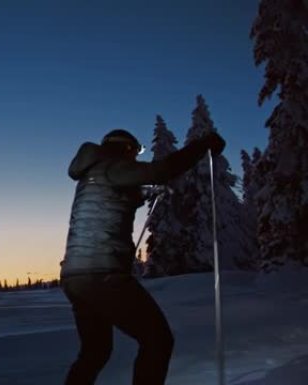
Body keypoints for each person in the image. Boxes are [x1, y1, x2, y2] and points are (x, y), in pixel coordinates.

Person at [60, 128, 225, 385]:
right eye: (136, 153)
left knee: (96, 351)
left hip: (76, 278)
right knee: (157, 340)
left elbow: (117, 196)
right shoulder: (112, 166)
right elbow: (162, 170)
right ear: (126, 149)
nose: (136, 158)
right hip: (103, 276)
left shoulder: (94, 173)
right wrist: (201, 147)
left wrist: (147, 193)